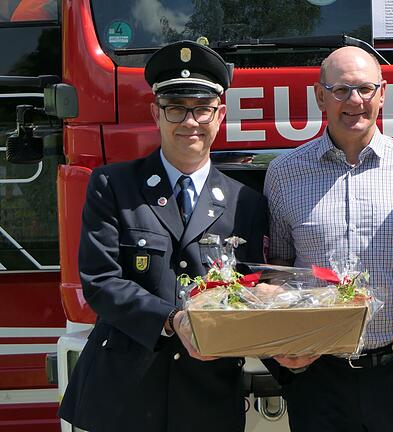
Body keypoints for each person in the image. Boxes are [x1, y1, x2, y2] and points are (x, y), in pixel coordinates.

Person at [58, 40, 268, 432]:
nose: (189, 122)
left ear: (219, 114)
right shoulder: (113, 186)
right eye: (176, 108)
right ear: (156, 113)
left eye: (202, 109)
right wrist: (172, 320)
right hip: (123, 396)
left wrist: (290, 353)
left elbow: (256, 289)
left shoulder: (247, 204)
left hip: (207, 398)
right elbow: (100, 283)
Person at [264, 46, 393, 432]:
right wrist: (279, 332)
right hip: (319, 374)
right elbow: (280, 269)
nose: (355, 101)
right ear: (320, 96)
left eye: (366, 89)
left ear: (383, 93)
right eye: (341, 90)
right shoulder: (284, 174)